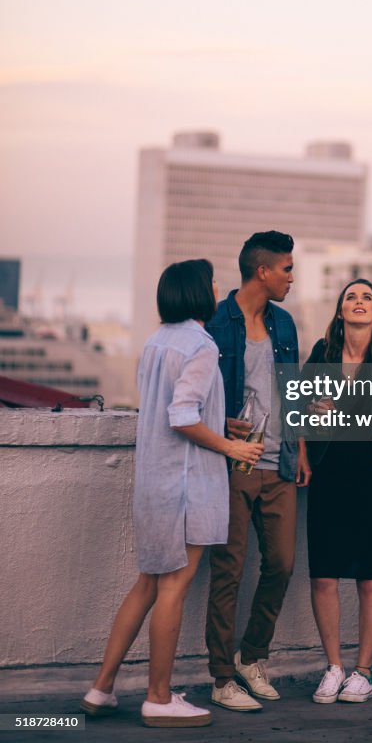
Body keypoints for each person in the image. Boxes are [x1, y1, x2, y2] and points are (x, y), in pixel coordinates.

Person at [80, 260, 263, 728]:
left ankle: (101, 690)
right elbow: (181, 416)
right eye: (212, 282)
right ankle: (159, 698)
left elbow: (172, 408)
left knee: (146, 585)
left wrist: (220, 422)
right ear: (199, 292)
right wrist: (231, 444)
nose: (218, 287)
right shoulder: (202, 346)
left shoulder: (157, 340)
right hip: (188, 485)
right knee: (173, 588)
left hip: (154, 483)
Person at [205, 231, 311, 712]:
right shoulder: (216, 323)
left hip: (280, 464)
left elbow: (294, 393)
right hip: (234, 464)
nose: (293, 276)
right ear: (262, 271)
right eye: (287, 268)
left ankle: (253, 656)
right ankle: (221, 677)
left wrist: (301, 449)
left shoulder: (284, 324)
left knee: (283, 563)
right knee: (228, 570)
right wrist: (219, 420)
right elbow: (193, 398)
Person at [304, 279, 372, 705]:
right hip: (328, 474)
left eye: (367, 297)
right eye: (352, 297)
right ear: (340, 311)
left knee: (369, 577)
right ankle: (333, 667)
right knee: (323, 575)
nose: (359, 302)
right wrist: (308, 434)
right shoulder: (322, 354)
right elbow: (298, 408)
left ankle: (363, 672)